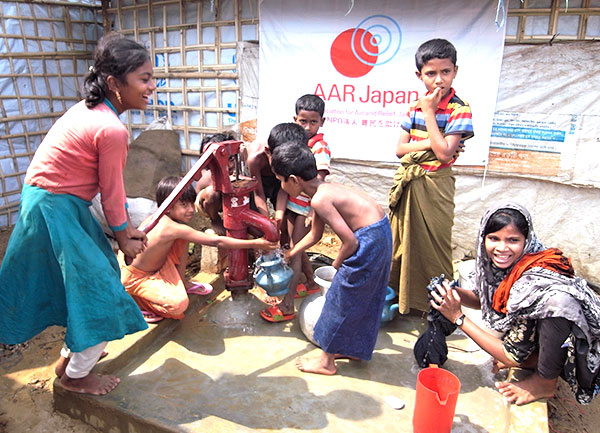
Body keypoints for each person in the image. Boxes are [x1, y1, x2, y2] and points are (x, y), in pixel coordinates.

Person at [0, 33, 155, 395]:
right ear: (115, 83)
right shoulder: (111, 127)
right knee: (100, 293)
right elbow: (112, 191)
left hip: (55, 202)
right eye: (144, 79)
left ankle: (71, 359)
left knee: (90, 284)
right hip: (56, 207)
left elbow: (105, 192)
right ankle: (75, 377)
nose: (152, 87)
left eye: (152, 77)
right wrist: (123, 235)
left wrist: (124, 230)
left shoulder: (93, 110)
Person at [431, 202, 600, 405]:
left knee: (558, 303)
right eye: (494, 238)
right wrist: (454, 293)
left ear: (526, 241)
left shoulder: (530, 280)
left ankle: (546, 381)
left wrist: (458, 318)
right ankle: (538, 357)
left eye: (513, 240)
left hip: (574, 344)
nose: (502, 248)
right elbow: (485, 300)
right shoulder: (498, 266)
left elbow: (512, 357)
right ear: (483, 238)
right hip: (547, 336)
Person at [271, 143, 392, 375]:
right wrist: (291, 253)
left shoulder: (319, 200)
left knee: (339, 298)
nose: (282, 187)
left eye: (282, 181)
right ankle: (354, 349)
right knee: (365, 297)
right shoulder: (323, 191)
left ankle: (326, 362)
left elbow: (350, 242)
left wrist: (335, 268)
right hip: (380, 233)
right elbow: (315, 235)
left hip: (368, 240)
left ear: (294, 179)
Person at [389, 38, 474, 314]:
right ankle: (406, 302)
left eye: (445, 72)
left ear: (455, 71)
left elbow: (445, 155)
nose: (439, 80)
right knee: (401, 244)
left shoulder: (460, 108)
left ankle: (441, 308)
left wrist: (429, 114)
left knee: (436, 247)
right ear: (419, 75)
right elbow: (401, 149)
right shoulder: (415, 107)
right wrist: (428, 138)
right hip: (411, 182)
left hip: (436, 186)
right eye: (431, 73)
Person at [120, 176, 278, 322]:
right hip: (135, 277)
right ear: (167, 207)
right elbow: (216, 241)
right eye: (184, 205)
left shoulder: (167, 220)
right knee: (179, 305)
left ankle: (183, 283)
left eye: (191, 203)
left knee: (184, 237)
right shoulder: (169, 227)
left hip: (153, 265)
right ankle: (137, 304)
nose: (191, 209)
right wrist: (256, 243)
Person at [260, 95, 331, 322]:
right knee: (294, 246)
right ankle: (309, 283)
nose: (308, 127)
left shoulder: (319, 148)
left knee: (295, 251)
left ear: (322, 121)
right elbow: (283, 186)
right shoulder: (293, 144)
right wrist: (279, 213)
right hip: (292, 204)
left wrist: (313, 210)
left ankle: (288, 304)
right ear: (295, 119)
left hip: (304, 208)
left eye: (313, 122)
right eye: (303, 121)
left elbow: (318, 181)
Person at [194, 131, 238, 235]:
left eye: (231, 158)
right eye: (223, 160)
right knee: (211, 193)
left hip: (227, 201)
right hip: (208, 204)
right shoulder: (208, 177)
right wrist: (213, 216)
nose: (230, 165)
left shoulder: (238, 171)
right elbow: (207, 200)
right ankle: (215, 220)